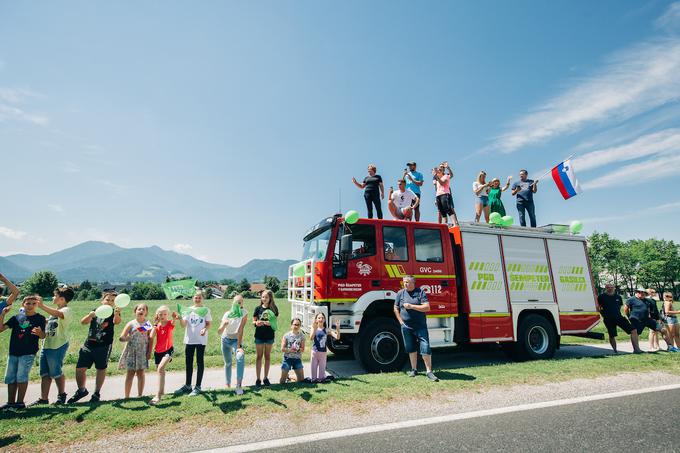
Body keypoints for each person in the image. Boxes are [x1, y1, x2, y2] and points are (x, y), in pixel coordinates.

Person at [68, 292, 122, 403]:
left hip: (104, 345)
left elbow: (117, 322)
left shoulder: (113, 313)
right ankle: (81, 390)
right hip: (89, 344)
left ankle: (96, 393)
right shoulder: (95, 311)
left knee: (101, 368)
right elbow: (83, 322)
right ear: (102, 301)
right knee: (80, 368)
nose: (110, 302)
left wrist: (117, 314)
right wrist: (90, 315)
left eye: (113, 301)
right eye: (108, 299)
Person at [30, 286, 75, 406]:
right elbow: (49, 322)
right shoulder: (53, 312)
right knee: (44, 373)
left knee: (56, 372)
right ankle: (43, 399)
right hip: (47, 345)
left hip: (57, 346)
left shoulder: (66, 310)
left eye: (55, 296)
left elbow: (58, 314)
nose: (53, 297)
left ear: (62, 299)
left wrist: (42, 306)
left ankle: (62, 395)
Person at [0, 295, 46, 410]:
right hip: (13, 352)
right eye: (28, 303)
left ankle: (20, 403)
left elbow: (43, 336)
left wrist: (40, 333)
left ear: (37, 305)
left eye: (33, 304)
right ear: (23, 304)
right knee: (10, 377)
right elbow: (1, 329)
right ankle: (10, 403)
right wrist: (2, 314)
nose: (30, 306)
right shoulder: (17, 318)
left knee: (21, 377)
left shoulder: (40, 318)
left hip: (28, 352)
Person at [393, 276, 438, 381]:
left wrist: (411, 306)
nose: (405, 284)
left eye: (407, 282)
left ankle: (429, 372)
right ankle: (414, 369)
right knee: (411, 348)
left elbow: (427, 307)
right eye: (404, 282)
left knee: (425, 347)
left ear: (413, 283)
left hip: (420, 326)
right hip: (406, 326)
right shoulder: (400, 293)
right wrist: (400, 322)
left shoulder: (420, 292)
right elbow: (395, 308)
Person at [175, 290, 212, 396]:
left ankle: (198, 386)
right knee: (188, 362)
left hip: (201, 340)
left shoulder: (206, 310)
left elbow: (209, 324)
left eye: (199, 297)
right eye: (196, 297)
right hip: (189, 339)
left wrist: (205, 329)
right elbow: (183, 325)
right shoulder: (188, 310)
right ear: (193, 298)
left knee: (200, 362)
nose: (197, 299)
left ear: (203, 298)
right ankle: (187, 385)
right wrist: (180, 318)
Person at [118, 303, 152, 399]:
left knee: (141, 373)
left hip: (142, 351)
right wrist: (125, 338)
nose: (141, 311)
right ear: (135, 312)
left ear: (146, 312)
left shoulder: (147, 324)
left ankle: (140, 395)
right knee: (130, 373)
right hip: (131, 351)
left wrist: (149, 352)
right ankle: (127, 396)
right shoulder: (131, 323)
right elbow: (121, 337)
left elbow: (150, 339)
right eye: (139, 309)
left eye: (143, 309)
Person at [596, 283, 641, 353]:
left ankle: (636, 349)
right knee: (612, 335)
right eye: (608, 287)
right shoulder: (601, 297)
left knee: (633, 330)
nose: (610, 288)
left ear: (614, 288)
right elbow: (598, 307)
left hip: (619, 317)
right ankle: (615, 351)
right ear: (606, 288)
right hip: (608, 319)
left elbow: (619, 307)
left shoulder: (618, 297)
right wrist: (603, 315)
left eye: (611, 287)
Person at [218, 295, 248, 395]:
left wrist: (239, 347)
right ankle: (227, 384)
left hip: (236, 340)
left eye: (241, 302)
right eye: (237, 302)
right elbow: (219, 331)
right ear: (233, 303)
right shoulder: (227, 314)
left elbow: (241, 329)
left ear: (242, 303)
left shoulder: (244, 313)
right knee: (228, 363)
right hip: (225, 339)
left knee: (240, 356)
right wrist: (223, 325)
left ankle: (239, 385)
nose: (239, 304)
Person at [149, 305, 178, 405]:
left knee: (160, 369)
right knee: (161, 372)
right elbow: (151, 336)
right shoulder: (156, 325)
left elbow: (173, 322)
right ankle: (162, 391)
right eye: (160, 314)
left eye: (165, 314)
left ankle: (158, 396)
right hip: (158, 351)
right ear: (157, 315)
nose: (163, 316)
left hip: (168, 350)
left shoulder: (170, 323)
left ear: (167, 315)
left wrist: (174, 318)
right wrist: (155, 324)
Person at [253, 289, 279, 387]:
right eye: (262, 297)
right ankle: (258, 379)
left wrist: (270, 323)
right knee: (259, 357)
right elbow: (253, 321)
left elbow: (275, 323)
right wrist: (256, 323)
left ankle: (265, 378)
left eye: (266, 297)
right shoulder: (257, 309)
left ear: (270, 298)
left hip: (269, 336)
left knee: (267, 357)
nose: (264, 298)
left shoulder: (274, 309)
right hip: (259, 336)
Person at [309, 312, 340, 383]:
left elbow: (337, 337)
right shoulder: (313, 327)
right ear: (316, 320)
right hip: (314, 352)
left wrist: (337, 328)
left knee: (321, 378)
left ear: (325, 320)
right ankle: (314, 380)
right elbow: (311, 338)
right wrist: (314, 328)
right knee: (313, 378)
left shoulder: (327, 330)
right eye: (319, 318)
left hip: (323, 353)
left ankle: (322, 378)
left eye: (322, 318)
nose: (321, 319)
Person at [280, 318, 305, 384]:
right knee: (282, 381)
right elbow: (282, 348)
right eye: (295, 324)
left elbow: (303, 349)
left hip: (297, 359)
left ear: (300, 326)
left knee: (301, 380)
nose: (296, 326)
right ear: (291, 325)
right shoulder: (286, 335)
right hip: (287, 359)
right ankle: (286, 376)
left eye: (298, 325)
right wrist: (290, 350)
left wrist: (298, 349)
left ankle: (290, 377)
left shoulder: (301, 336)